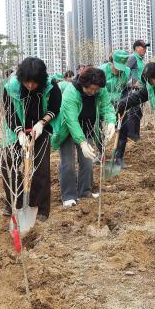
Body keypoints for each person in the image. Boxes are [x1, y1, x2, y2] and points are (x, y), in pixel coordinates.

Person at [1, 57, 61, 220]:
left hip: (40, 129)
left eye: (34, 83)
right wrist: (20, 132)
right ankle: (15, 201)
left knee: (41, 167)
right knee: (8, 163)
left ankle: (40, 206)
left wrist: (42, 123)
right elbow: (9, 113)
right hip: (17, 128)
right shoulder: (10, 87)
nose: (30, 86)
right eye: (27, 82)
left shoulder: (51, 86)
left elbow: (55, 108)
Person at [51, 67, 116, 207]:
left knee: (87, 162)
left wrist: (111, 122)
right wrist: (81, 142)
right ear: (83, 84)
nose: (93, 92)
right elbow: (71, 120)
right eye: (90, 89)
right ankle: (68, 196)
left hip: (88, 128)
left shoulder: (101, 90)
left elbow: (107, 106)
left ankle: (85, 191)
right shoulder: (71, 92)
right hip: (68, 129)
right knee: (68, 163)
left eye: (96, 89)